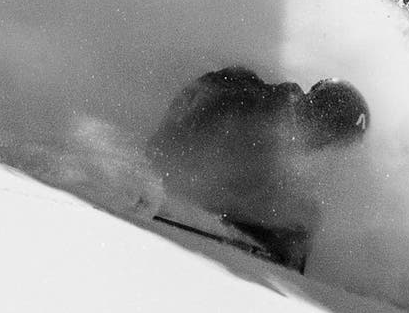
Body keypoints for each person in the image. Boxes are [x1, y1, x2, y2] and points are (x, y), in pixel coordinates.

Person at [147, 66, 371, 271]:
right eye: (334, 139)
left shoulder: (281, 113)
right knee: (299, 225)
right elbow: (236, 179)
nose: (326, 148)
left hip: (185, 172)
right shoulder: (270, 119)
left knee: (301, 220)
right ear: (324, 122)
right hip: (178, 177)